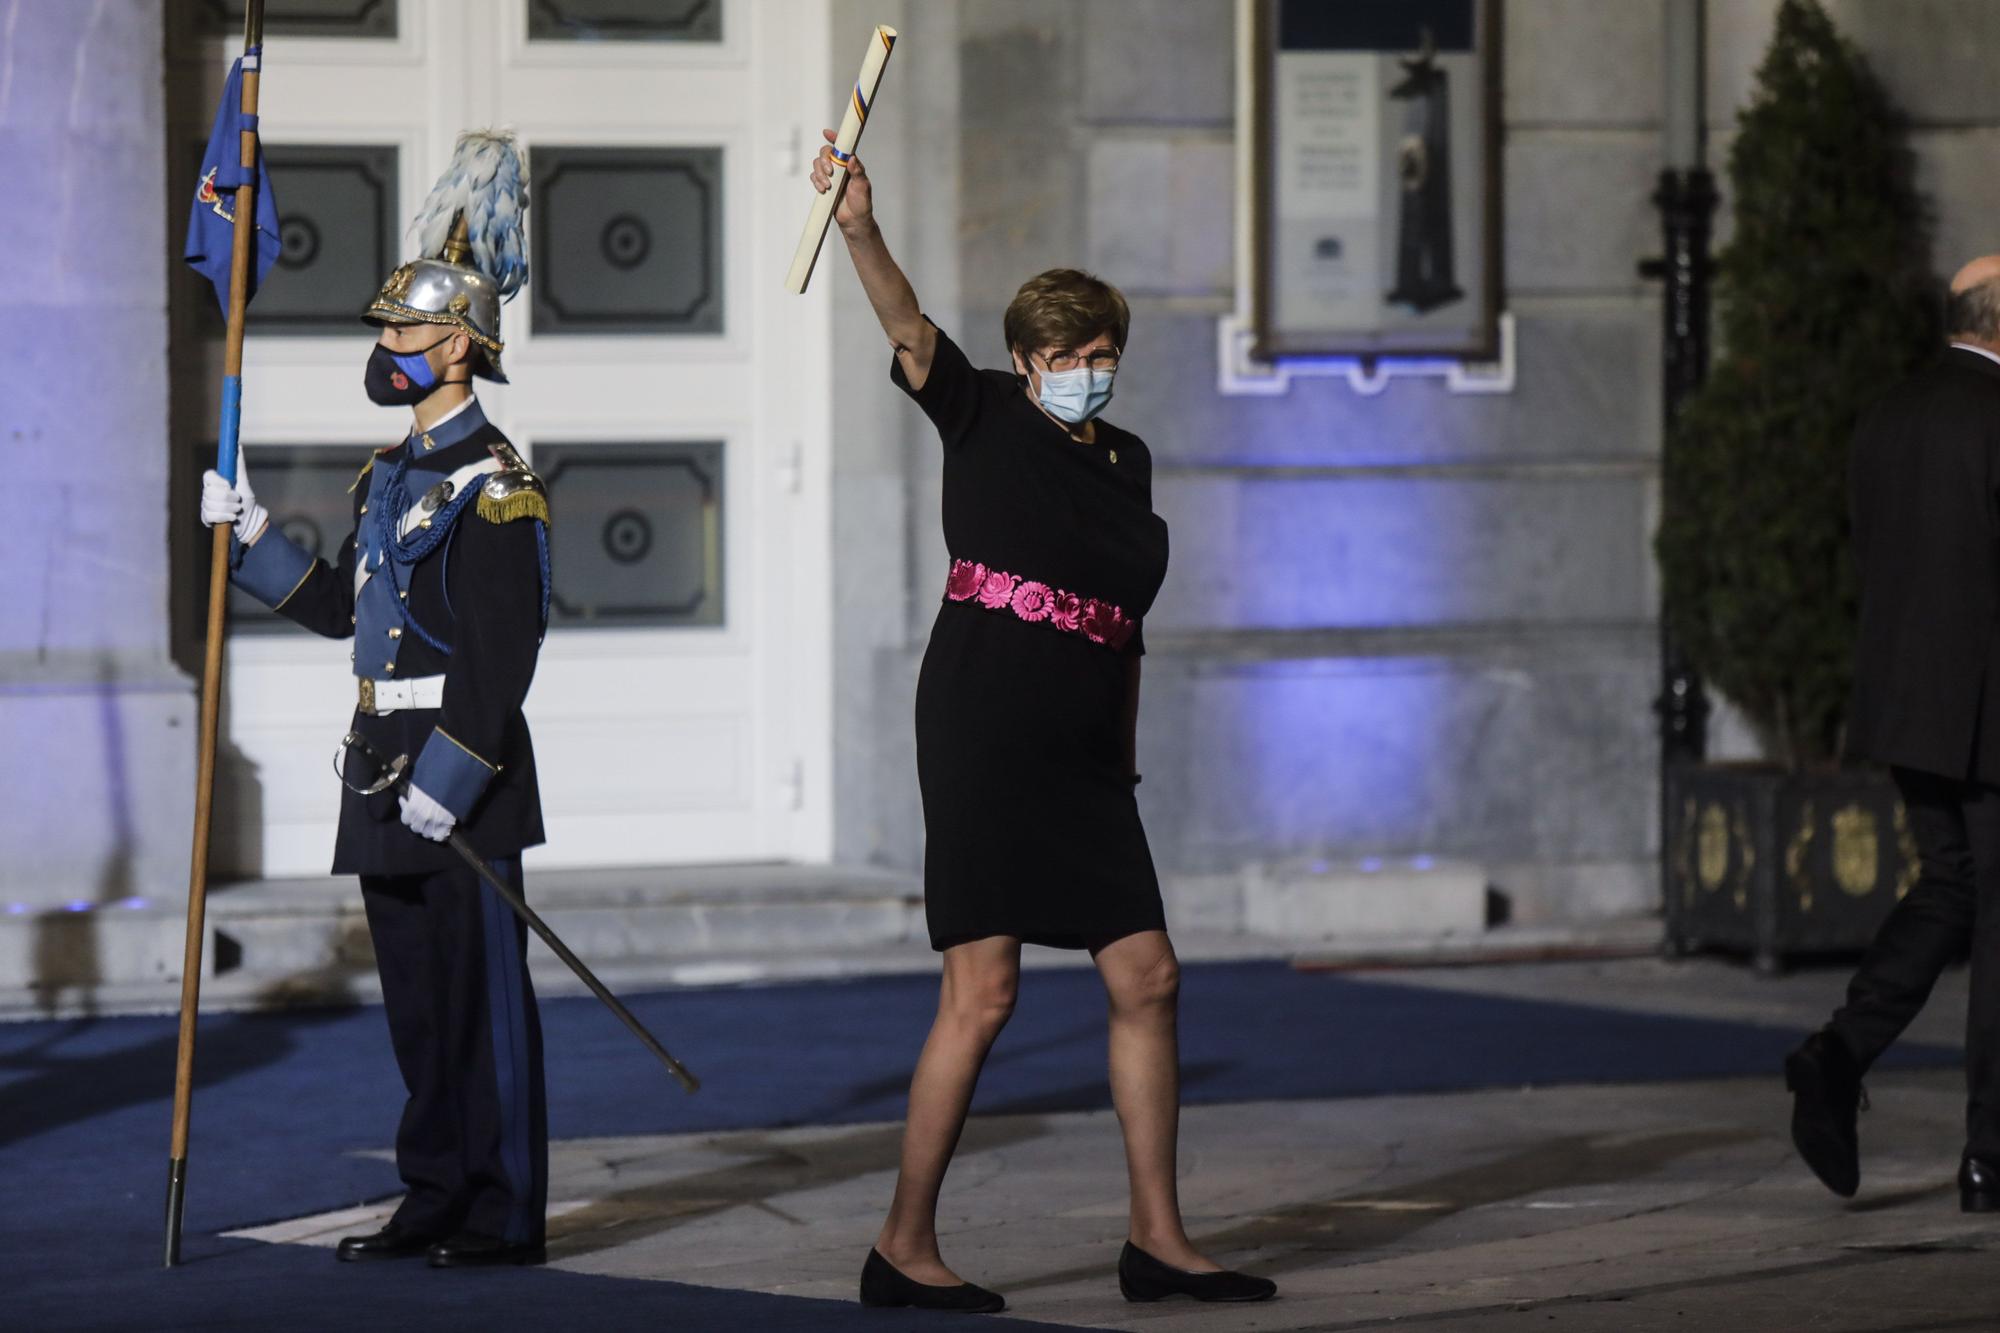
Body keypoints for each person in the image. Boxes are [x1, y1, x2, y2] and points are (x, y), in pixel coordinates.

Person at [810, 132, 1277, 1312]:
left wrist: (1119, 749)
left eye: (1102, 352)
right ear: (1024, 362)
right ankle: (901, 1246)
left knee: (1151, 976)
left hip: (1081, 742)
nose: (1086, 368)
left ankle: (1157, 1240)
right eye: (1066, 354)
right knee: (985, 991)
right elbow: (907, 326)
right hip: (981, 718)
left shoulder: (1125, 456)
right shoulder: (977, 414)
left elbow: (1121, 615)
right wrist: (859, 223)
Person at [200, 131, 554, 1266]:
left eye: (405, 331)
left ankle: (501, 1208)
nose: (387, 346)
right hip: (378, 758)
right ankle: (436, 1192)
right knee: (415, 1008)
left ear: (459, 346)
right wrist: (250, 539)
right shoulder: (387, 474)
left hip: (463, 773)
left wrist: (452, 780)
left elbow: (502, 657)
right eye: (386, 331)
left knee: (480, 1007)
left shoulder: (496, 486)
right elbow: (344, 610)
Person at [1786, 254, 2000, 1213]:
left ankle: (1835, 1055)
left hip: (1912, 709)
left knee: (1953, 886)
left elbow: (1873, 554)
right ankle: (1991, 1154)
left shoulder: (1888, 413)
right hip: (1992, 709)